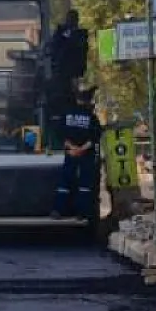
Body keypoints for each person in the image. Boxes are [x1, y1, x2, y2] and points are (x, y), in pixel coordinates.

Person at [51, 88, 102, 220]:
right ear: (88, 101)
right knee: (84, 184)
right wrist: (82, 149)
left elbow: (60, 134)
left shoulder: (66, 114)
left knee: (65, 183)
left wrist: (72, 148)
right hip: (86, 155)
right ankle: (82, 213)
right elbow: (95, 136)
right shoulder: (91, 117)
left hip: (70, 153)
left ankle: (59, 210)